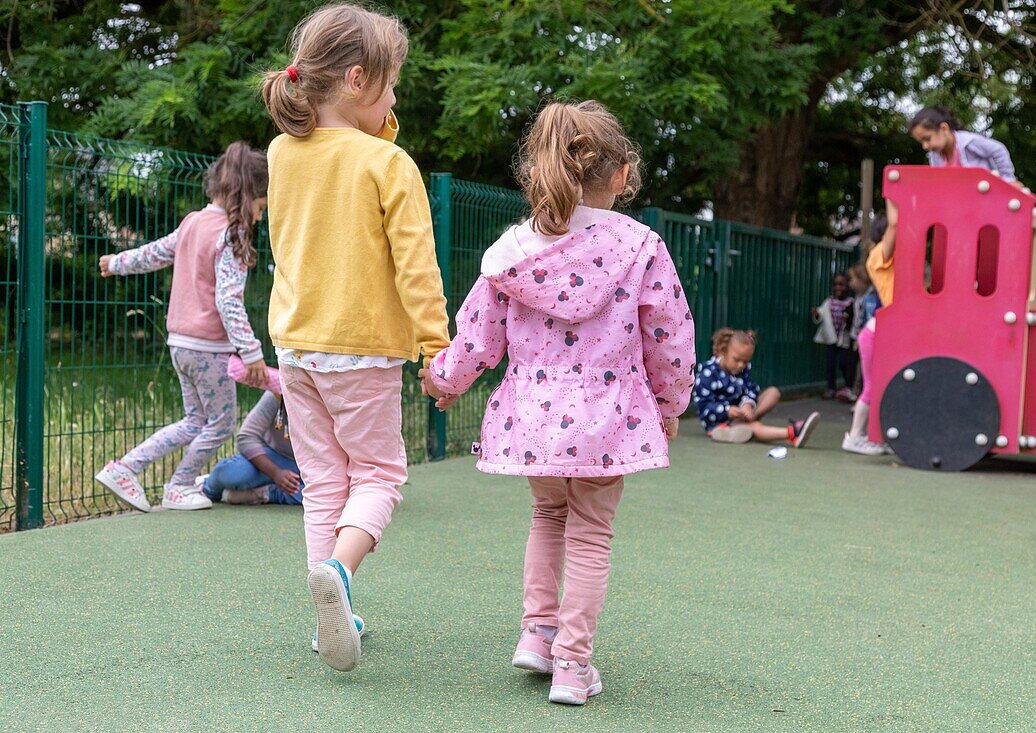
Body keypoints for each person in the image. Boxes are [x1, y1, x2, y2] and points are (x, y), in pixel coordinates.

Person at [420, 101, 696, 705]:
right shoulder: (641, 245)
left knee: (548, 516)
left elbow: (476, 335)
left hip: (534, 415)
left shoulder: (513, 251)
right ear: (622, 175)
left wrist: (443, 381)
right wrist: (671, 403)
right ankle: (573, 665)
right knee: (592, 532)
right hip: (607, 415)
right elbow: (670, 335)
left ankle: (537, 634)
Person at [261, 4, 450, 673]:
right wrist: (435, 346)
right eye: (391, 85)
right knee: (379, 474)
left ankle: (327, 619)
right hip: (360, 345)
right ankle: (338, 574)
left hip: (297, 345)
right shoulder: (387, 163)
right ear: (357, 77)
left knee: (323, 482)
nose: (395, 100)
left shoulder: (283, 153)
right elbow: (417, 267)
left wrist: (375, 116)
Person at [94, 142, 270, 512]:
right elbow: (228, 299)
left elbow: (154, 252)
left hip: (181, 345)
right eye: (261, 205)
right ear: (250, 193)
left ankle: (124, 468)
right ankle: (178, 485)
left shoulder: (193, 222)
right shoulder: (231, 232)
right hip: (208, 346)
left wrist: (116, 262)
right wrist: (251, 351)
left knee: (195, 421)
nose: (260, 215)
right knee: (221, 424)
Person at [695, 328, 819, 447]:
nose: (741, 365)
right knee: (755, 427)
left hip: (743, 414)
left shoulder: (742, 370)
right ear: (723, 351)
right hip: (720, 420)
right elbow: (704, 406)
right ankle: (793, 433)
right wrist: (728, 410)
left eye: (745, 361)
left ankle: (747, 422)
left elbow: (752, 389)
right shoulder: (708, 373)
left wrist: (748, 404)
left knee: (773, 392)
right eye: (737, 360)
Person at [843, 207, 897, 455]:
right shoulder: (878, 255)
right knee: (872, 386)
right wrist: (893, 198)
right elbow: (895, 226)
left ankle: (876, 435)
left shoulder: (894, 258)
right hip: (875, 334)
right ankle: (854, 436)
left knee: (882, 385)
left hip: (884, 331)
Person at [199, 390, 304, 507]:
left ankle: (265, 493)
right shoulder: (277, 392)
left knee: (324, 495)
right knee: (233, 474)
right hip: (274, 457)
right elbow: (246, 437)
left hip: (313, 466)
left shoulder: (326, 394)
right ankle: (207, 488)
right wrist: (275, 473)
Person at [908, 106, 1019, 183]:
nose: (925, 146)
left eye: (927, 139)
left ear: (943, 128)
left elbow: (998, 150)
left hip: (986, 194)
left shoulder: (969, 142)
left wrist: (1008, 179)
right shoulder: (935, 156)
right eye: (921, 142)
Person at [811, 273, 856, 401]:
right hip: (831, 338)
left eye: (841, 284)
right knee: (830, 364)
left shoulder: (851, 303)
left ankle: (848, 387)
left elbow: (854, 319)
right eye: (835, 284)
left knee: (844, 363)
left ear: (848, 286)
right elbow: (820, 315)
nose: (838, 288)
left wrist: (848, 318)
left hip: (844, 340)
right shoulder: (828, 302)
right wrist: (816, 314)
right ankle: (830, 388)